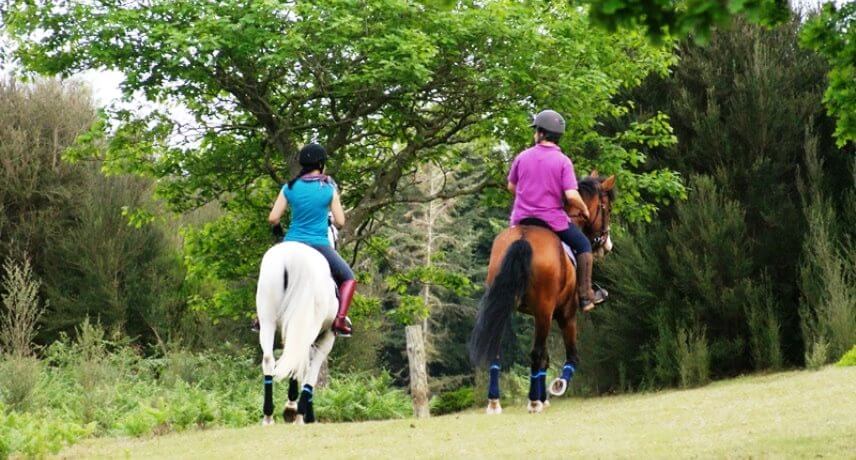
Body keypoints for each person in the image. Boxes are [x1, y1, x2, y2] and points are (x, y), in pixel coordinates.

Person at [507, 110, 607, 312]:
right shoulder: (563, 161)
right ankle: (586, 296)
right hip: (551, 220)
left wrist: (527, 197)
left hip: (521, 219)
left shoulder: (522, 157)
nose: (535, 134)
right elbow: (571, 195)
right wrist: (584, 210)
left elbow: (511, 186)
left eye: (536, 130)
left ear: (542, 133)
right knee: (583, 245)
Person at [267, 143, 356, 336]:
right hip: (319, 245)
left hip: (291, 243)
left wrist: (278, 230)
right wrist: (328, 219)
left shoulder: (289, 187)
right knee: (349, 278)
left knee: (272, 276)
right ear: (321, 164)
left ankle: (262, 317)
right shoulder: (329, 189)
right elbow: (340, 222)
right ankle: (340, 320)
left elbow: (273, 218)